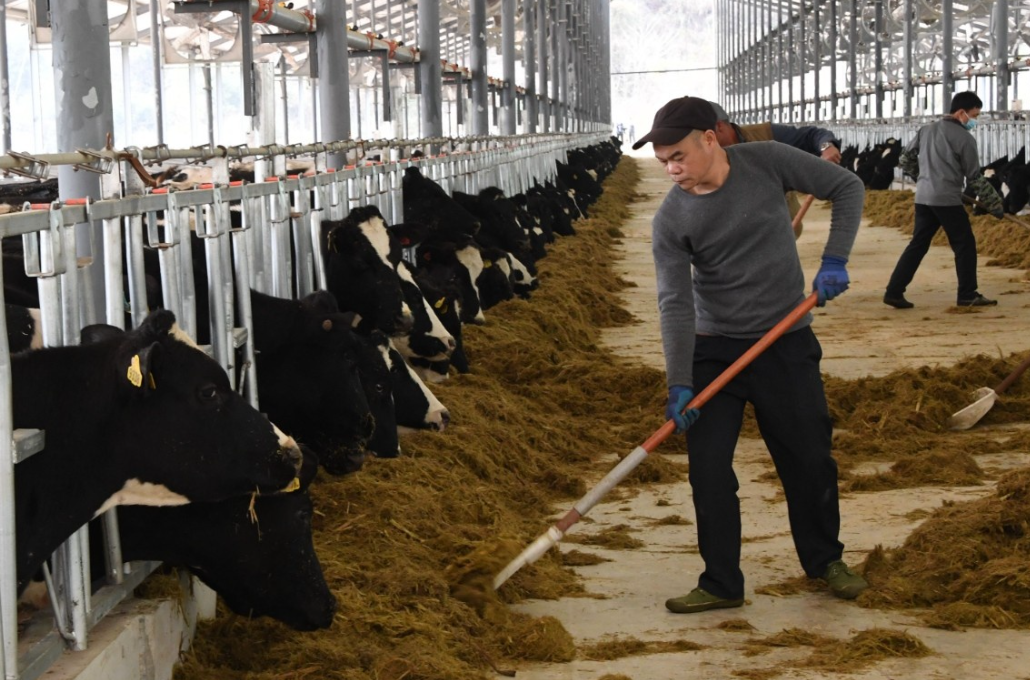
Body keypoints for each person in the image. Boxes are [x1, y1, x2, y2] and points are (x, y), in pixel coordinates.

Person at [631, 96, 869, 613]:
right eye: (663, 161)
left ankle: (825, 560)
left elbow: (847, 187)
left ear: (711, 139)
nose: (672, 170)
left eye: (678, 156)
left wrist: (834, 259)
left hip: (784, 341)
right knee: (708, 471)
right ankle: (721, 582)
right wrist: (678, 382)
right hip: (714, 351)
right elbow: (675, 303)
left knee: (809, 458)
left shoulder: (767, 162)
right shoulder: (671, 220)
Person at [884, 91, 1005, 309]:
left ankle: (894, 291)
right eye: (974, 115)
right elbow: (975, 178)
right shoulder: (965, 139)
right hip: (947, 200)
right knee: (964, 244)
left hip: (923, 197)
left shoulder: (926, 130)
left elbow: (904, 159)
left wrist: (922, 177)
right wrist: (995, 204)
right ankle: (967, 294)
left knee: (918, 244)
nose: (975, 121)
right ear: (961, 113)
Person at [708, 101, 843, 239]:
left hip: (780, 226)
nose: (702, 140)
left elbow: (811, 135)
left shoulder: (765, 134)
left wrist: (826, 147)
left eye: (705, 134)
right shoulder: (702, 155)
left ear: (719, 126)